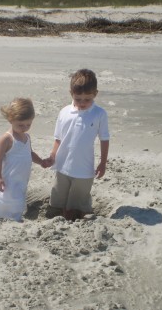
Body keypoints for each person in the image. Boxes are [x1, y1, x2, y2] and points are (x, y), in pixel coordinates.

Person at [45, 69, 110, 221]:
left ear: (95, 94)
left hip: (84, 169)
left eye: (87, 99)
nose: (82, 103)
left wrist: (103, 162)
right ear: (71, 94)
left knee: (79, 201)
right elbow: (58, 138)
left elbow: (104, 139)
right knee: (59, 197)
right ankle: (59, 216)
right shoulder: (64, 112)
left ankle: (78, 217)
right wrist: (52, 156)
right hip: (62, 166)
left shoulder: (99, 113)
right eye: (78, 99)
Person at [0, 98, 45, 222]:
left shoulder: (26, 137)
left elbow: (30, 153)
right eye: (21, 125)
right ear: (11, 120)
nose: (25, 128)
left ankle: (14, 217)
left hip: (20, 178)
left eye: (28, 124)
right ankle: (1, 218)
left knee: (17, 198)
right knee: (7, 198)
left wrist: (41, 162)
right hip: (8, 178)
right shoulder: (7, 139)